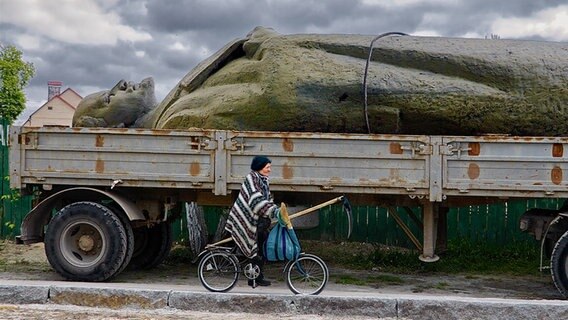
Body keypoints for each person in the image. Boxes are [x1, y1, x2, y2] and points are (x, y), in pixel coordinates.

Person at [225, 155, 279, 287]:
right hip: (247, 219)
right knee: (255, 248)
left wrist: (275, 209)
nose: (269, 170)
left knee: (260, 248)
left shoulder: (263, 180)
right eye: (267, 167)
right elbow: (256, 201)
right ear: (260, 167)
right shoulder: (252, 178)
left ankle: (255, 277)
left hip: (258, 220)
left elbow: (267, 199)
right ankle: (254, 277)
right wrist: (273, 211)